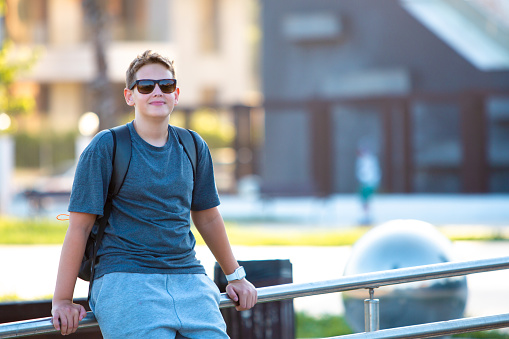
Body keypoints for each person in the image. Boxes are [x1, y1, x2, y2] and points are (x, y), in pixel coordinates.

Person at [51, 50, 257, 338]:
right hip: (125, 280)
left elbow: (208, 218)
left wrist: (236, 277)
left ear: (177, 94)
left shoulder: (193, 146)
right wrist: (62, 299)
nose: (157, 91)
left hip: (190, 280)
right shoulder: (106, 147)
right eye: (146, 86)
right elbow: (79, 227)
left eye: (166, 85)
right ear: (129, 95)